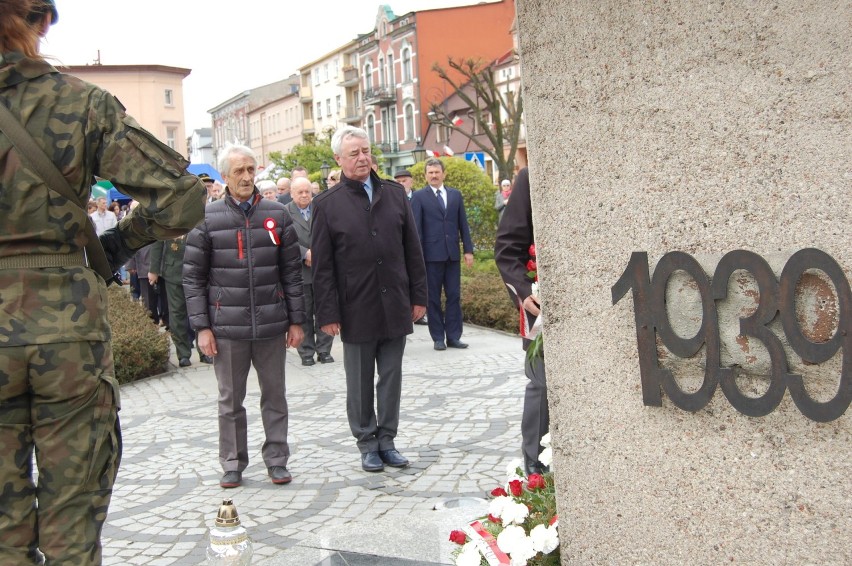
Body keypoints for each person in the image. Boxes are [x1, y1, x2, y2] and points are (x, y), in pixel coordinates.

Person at [0, 2, 205, 562]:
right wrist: (115, 244)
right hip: (66, 328)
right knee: (72, 516)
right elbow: (182, 196)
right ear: (40, 23)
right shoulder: (80, 103)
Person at [183, 143, 305, 489]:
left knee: (275, 396)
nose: (247, 177)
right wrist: (202, 328)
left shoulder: (277, 215)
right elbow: (192, 278)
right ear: (225, 176)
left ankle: (277, 460)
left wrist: (296, 320)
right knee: (230, 400)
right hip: (226, 328)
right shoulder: (206, 218)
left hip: (270, 323)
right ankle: (233, 463)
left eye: (252, 170)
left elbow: (292, 273)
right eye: (239, 171)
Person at [312, 126, 427, 473]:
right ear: (338, 159)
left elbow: (413, 250)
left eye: (365, 151)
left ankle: (387, 440)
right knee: (359, 380)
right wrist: (328, 312)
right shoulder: (326, 205)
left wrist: (419, 295)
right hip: (355, 306)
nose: (362, 158)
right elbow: (323, 266)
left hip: (394, 301)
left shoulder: (394, 194)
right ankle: (367, 442)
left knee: (391, 375)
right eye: (354, 153)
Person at [494, 167, 549, 476]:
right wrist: (525, 291)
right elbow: (507, 248)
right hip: (543, 306)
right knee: (542, 386)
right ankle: (536, 470)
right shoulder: (531, 175)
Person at [410, 157, 474, 351]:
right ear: (425, 176)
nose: (434, 176)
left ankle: (454, 336)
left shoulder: (455, 195)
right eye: (430, 173)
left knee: (454, 296)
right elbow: (416, 229)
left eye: (437, 172)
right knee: (433, 298)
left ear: (444, 174)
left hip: (452, 254)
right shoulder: (419, 197)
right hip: (430, 256)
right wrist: (417, 256)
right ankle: (438, 337)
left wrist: (468, 250)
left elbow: (463, 223)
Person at [284, 177, 334, 366]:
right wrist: (305, 253)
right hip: (299, 271)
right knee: (303, 312)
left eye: (307, 191)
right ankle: (306, 352)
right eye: (300, 192)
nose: (305, 195)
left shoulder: (321, 208)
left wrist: (319, 253)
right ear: (291, 193)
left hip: (322, 269)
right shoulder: (284, 212)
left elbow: (331, 233)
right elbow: (282, 239)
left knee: (324, 310)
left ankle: (324, 350)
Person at [149, 235, 211, 367]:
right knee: (177, 313)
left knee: (200, 310)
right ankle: (183, 354)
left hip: (198, 269)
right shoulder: (167, 214)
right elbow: (158, 239)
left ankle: (205, 352)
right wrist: (153, 269)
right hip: (174, 269)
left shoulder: (200, 214)